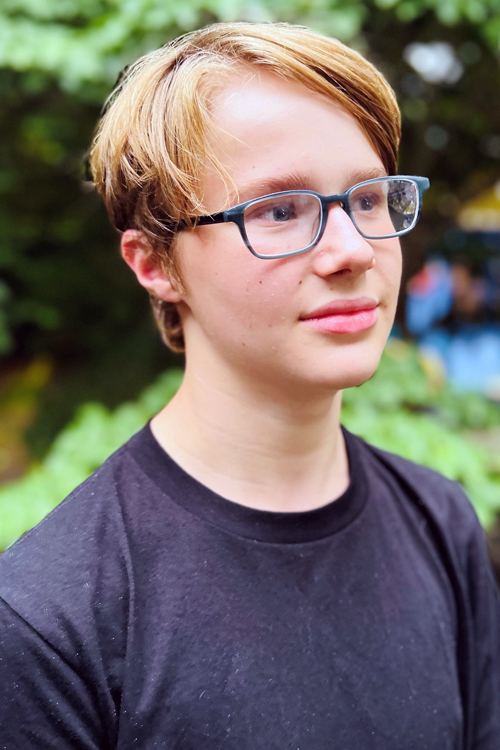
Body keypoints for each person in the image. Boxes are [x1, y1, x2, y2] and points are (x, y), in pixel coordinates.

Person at [0, 21, 498, 749]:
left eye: (368, 198)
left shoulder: (441, 522)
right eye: (278, 210)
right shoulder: (48, 619)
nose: (354, 250)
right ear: (154, 264)